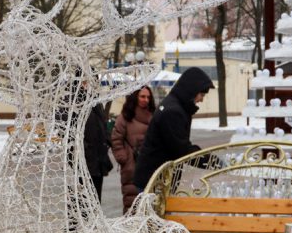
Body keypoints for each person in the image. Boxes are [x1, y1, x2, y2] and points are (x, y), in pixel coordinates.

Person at [133, 67, 214, 195]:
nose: (201, 99)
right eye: (201, 94)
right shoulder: (173, 111)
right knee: (153, 215)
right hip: (154, 180)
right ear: (192, 91)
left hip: (156, 177)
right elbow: (182, 150)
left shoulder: (175, 106)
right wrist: (212, 161)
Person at [111, 86, 156, 214]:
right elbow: (116, 138)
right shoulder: (125, 116)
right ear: (135, 97)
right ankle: (130, 230)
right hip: (131, 165)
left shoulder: (154, 115)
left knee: (150, 202)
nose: (145, 100)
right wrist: (123, 158)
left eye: (148, 97)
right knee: (131, 201)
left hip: (149, 164)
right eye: (142, 96)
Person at [83, 101, 113, 202]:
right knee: (84, 203)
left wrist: (107, 141)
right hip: (85, 164)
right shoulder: (74, 101)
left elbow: (103, 126)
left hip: (98, 163)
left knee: (96, 201)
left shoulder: (96, 103)